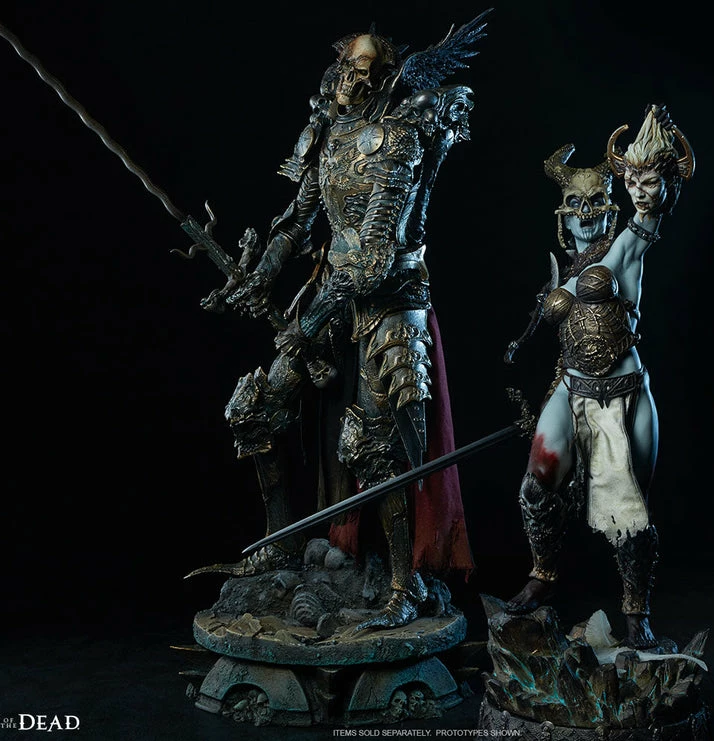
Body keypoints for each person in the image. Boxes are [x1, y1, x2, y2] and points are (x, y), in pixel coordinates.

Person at [204, 15, 489, 630]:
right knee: (255, 410)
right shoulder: (329, 134)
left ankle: (400, 585)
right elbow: (299, 218)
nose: (349, 79)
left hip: (389, 304)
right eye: (345, 66)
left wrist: (306, 327)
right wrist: (260, 275)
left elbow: (372, 258)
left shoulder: (400, 139)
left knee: (374, 447)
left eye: (364, 70)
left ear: (384, 79)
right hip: (330, 295)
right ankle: (282, 545)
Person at [503, 106, 695, 649]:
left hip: (622, 396)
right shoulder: (563, 271)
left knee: (627, 513)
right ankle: (543, 575)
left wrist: (649, 184)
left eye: (595, 205)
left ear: (611, 210)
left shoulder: (625, 248)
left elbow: (649, 218)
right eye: (575, 207)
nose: (586, 215)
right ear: (562, 218)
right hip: (572, 389)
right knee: (535, 486)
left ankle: (636, 612)